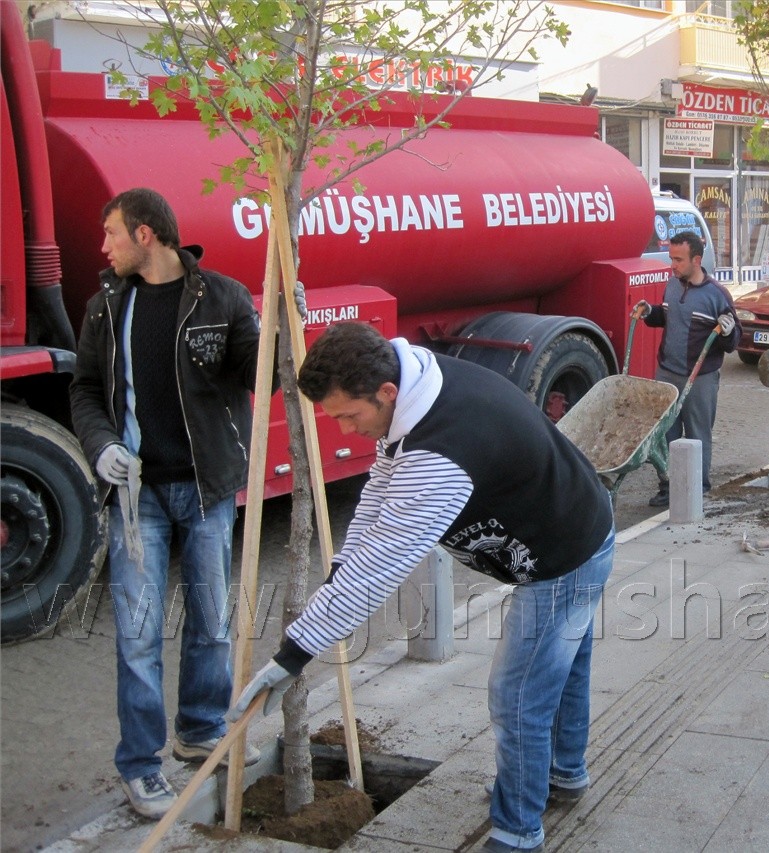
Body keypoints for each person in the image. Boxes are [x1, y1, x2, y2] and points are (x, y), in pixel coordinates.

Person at [230, 322, 616, 853]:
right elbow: (378, 502)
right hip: (573, 527)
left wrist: (293, 654)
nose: (343, 431)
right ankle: (562, 775)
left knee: (519, 693)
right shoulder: (414, 390)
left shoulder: (443, 449)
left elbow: (383, 565)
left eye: (348, 415)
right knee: (563, 666)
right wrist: (339, 574)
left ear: (385, 393)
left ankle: (518, 831)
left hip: (564, 555)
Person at [68, 188, 264, 819]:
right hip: (137, 496)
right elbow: (86, 391)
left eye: (111, 234)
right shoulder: (104, 307)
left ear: (146, 234)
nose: (104, 247)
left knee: (210, 621)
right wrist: (100, 447)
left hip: (207, 487)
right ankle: (141, 765)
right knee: (138, 631)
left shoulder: (224, 298)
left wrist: (282, 333)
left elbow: (258, 371)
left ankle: (201, 727)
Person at [635, 231, 740, 506]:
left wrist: (728, 331)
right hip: (668, 372)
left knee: (697, 433)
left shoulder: (717, 295)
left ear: (696, 259)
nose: (672, 265)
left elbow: (733, 341)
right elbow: (666, 317)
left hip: (700, 378)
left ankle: (698, 489)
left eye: (678, 260)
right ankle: (669, 486)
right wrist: (650, 312)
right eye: (671, 258)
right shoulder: (672, 284)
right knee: (665, 434)